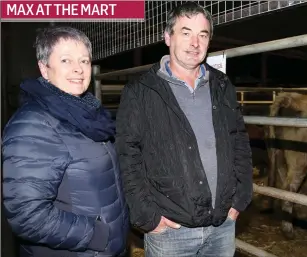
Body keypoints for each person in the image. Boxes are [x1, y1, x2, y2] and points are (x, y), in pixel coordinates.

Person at [115, 2, 253, 256]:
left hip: (222, 223)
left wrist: (241, 197)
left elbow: (239, 140)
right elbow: (127, 155)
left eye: (203, 35)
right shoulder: (141, 91)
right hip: (170, 230)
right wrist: (148, 216)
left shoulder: (221, 85)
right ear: (168, 37)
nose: (195, 43)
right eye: (186, 33)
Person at [2, 26, 129, 257]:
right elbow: (27, 215)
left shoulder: (87, 113)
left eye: (84, 60)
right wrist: (98, 234)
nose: (78, 69)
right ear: (44, 68)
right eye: (65, 60)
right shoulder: (34, 124)